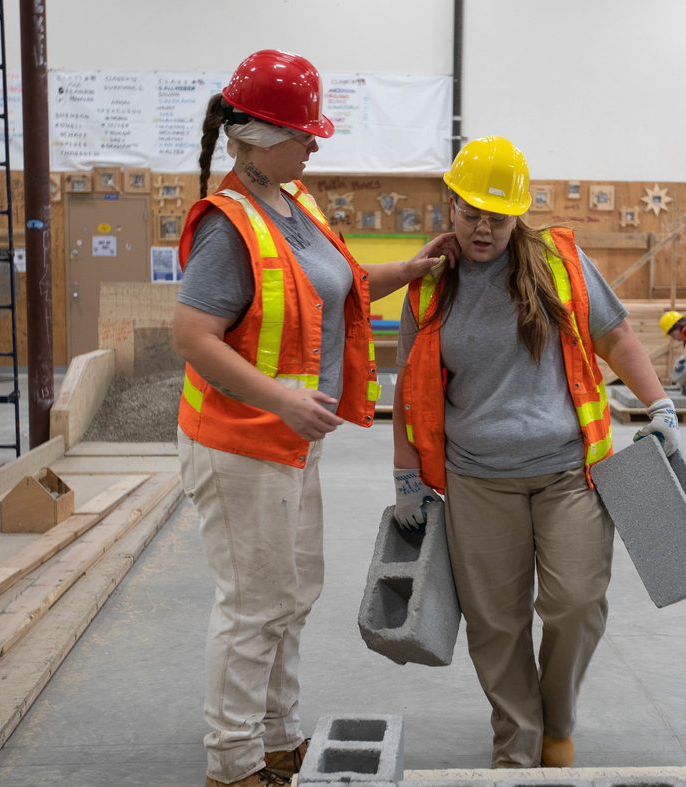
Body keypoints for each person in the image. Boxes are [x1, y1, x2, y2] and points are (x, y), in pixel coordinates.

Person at [172, 50, 459, 787]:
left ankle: (277, 736)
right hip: (243, 445)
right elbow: (192, 335)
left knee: (293, 595)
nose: (316, 144)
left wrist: (411, 271)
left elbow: (342, 283)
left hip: (290, 443)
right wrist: (280, 398)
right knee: (252, 604)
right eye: (306, 133)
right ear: (261, 137)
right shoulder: (229, 225)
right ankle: (232, 761)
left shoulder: (293, 202)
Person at [390, 136, 678, 769]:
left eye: (497, 216)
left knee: (577, 602)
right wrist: (405, 469)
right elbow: (411, 387)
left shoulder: (559, 264)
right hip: (476, 479)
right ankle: (516, 744)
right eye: (471, 214)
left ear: (519, 212)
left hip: (567, 472)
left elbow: (617, 336)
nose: (483, 228)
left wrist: (659, 405)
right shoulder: (429, 286)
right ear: (453, 206)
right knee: (496, 624)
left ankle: (558, 718)